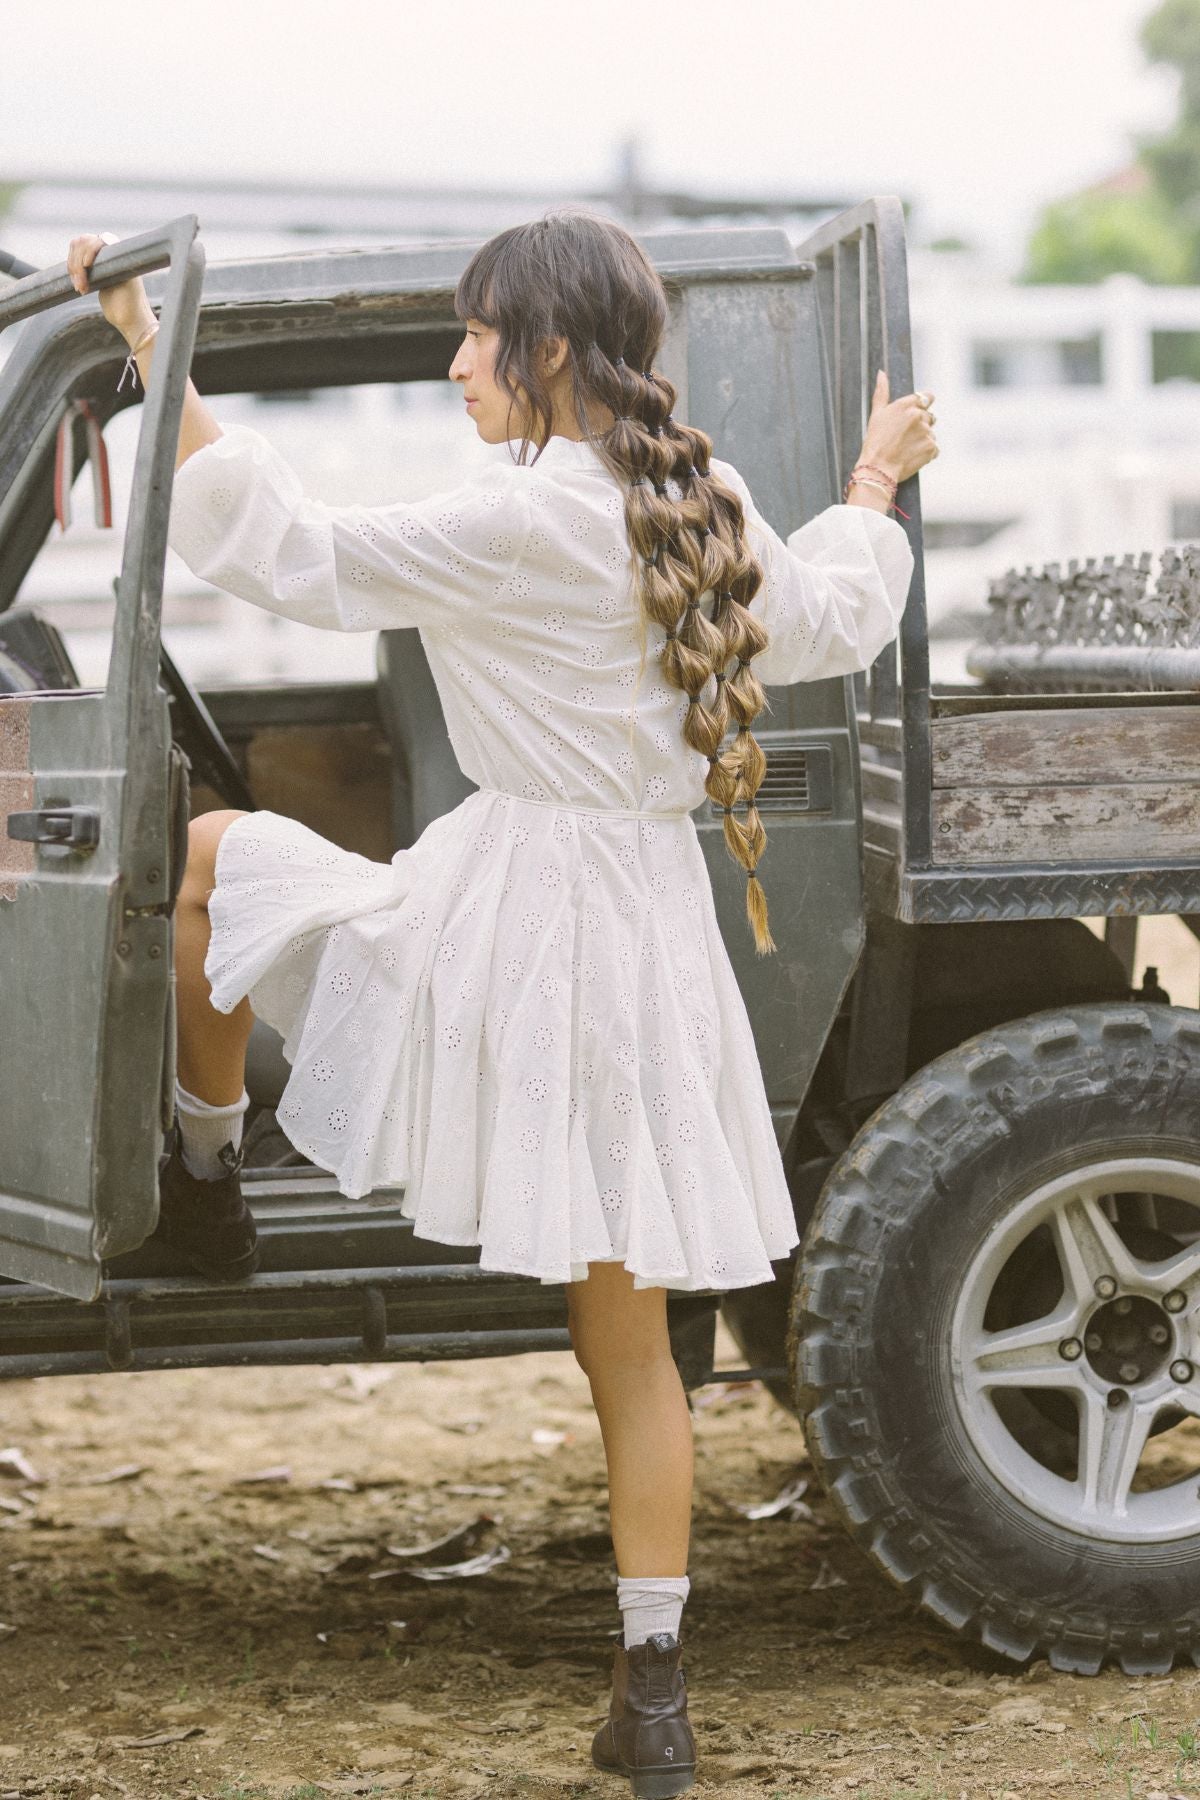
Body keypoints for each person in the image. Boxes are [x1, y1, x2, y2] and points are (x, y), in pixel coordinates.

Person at [67, 212, 936, 1798]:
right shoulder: (706, 503)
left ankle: (206, 1180)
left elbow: (291, 553)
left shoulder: (512, 518)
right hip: (651, 952)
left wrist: (147, 341)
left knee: (209, 858)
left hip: (509, 920)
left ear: (547, 352)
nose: (455, 363)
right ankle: (655, 1690)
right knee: (632, 1353)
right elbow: (831, 614)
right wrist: (875, 484)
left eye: (477, 338)